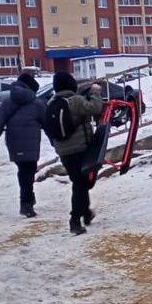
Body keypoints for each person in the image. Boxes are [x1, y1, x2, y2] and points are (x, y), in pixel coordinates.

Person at [47, 71, 106, 235]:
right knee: (81, 184)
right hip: (80, 148)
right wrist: (95, 91)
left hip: (64, 152)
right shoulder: (75, 101)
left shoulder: (52, 102)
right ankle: (74, 220)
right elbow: (95, 108)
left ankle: (86, 214)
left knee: (80, 182)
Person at [0, 73, 46, 218]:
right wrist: (56, 142)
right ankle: (26, 203)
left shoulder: (7, 103)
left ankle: (28, 199)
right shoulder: (38, 104)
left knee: (23, 170)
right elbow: (48, 125)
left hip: (14, 144)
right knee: (28, 171)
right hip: (31, 143)